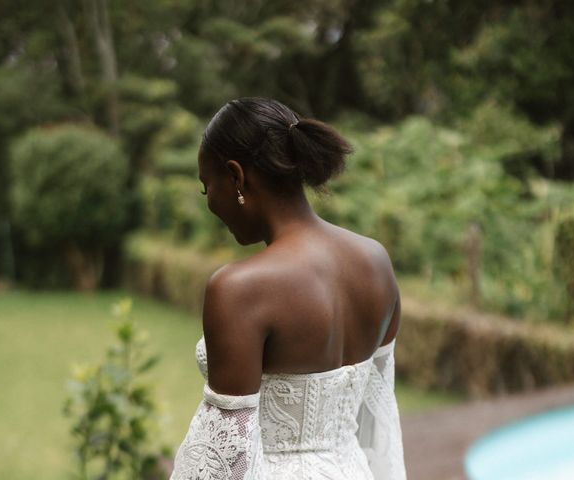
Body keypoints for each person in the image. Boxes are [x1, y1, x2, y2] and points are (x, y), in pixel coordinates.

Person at [169, 97, 406, 479]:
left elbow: (223, 459)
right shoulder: (376, 261)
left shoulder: (239, 289)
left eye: (205, 187)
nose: (209, 202)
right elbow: (378, 423)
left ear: (236, 177)